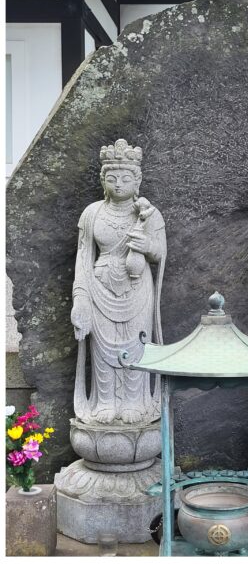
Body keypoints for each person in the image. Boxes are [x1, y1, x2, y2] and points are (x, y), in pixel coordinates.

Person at [71, 139, 166, 425]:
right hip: (99, 284)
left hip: (137, 287)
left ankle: (134, 401)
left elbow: (160, 253)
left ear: (137, 181)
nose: (119, 184)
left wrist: (147, 245)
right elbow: (83, 258)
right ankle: (105, 402)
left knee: (136, 343)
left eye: (126, 178)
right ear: (103, 181)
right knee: (102, 348)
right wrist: (80, 299)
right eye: (112, 178)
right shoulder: (92, 213)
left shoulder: (148, 214)